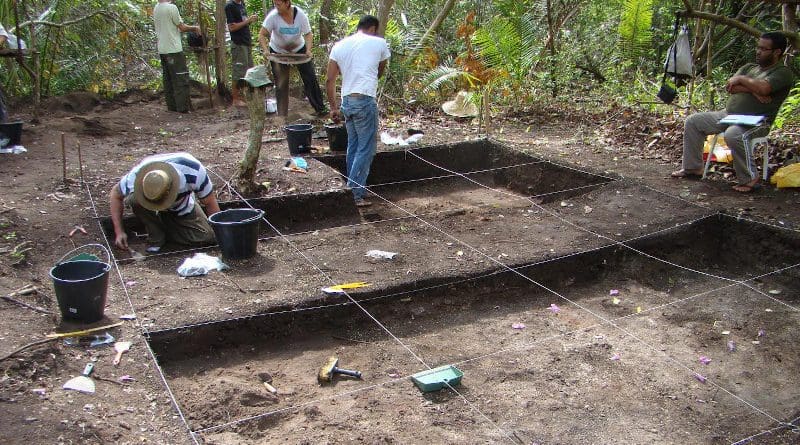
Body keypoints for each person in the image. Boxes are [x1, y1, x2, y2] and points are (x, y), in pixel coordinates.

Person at [671, 32, 796, 193]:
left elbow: (764, 88)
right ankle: (693, 168)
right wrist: (754, 89)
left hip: (757, 121)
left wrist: (743, 81)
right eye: (758, 47)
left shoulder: (782, 72)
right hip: (728, 114)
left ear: (777, 52)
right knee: (693, 121)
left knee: (734, 134)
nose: (758, 51)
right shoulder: (749, 68)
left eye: (764, 49)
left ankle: (749, 178)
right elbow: (730, 86)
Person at [325, 15, 390, 207]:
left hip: (347, 101)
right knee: (366, 148)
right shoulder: (379, 43)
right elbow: (380, 70)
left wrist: (333, 107)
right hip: (364, 100)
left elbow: (330, 80)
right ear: (372, 28)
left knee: (353, 145)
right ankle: (354, 193)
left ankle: (355, 188)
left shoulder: (339, 46)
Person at [109, 153, 221, 253]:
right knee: (134, 199)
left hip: (181, 207)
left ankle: (168, 228)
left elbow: (210, 202)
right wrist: (119, 232)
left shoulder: (194, 172)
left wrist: (221, 234)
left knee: (207, 236)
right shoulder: (138, 175)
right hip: (149, 208)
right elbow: (115, 194)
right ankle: (156, 235)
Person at [258, 0, 326, 116]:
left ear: (287, 3)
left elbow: (308, 34)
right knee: (281, 83)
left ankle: (320, 109)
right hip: (278, 51)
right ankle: (282, 115)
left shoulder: (300, 15)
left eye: (279, 4)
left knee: (310, 77)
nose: (276, 7)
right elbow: (261, 35)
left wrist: (308, 50)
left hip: (298, 49)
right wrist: (265, 50)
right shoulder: (273, 16)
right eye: (275, 4)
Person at [153, 0, 200, 113]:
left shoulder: (156, 8)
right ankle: (182, 108)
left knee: (168, 78)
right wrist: (195, 28)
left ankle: (172, 107)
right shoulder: (171, 8)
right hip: (173, 49)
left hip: (163, 49)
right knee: (180, 77)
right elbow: (182, 27)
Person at [225, 0, 258, 107]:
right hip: (238, 43)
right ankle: (235, 99)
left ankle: (245, 97)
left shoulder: (242, 4)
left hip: (246, 42)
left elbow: (242, 22)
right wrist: (248, 21)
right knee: (238, 72)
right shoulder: (230, 6)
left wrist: (249, 21)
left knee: (249, 70)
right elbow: (232, 27)